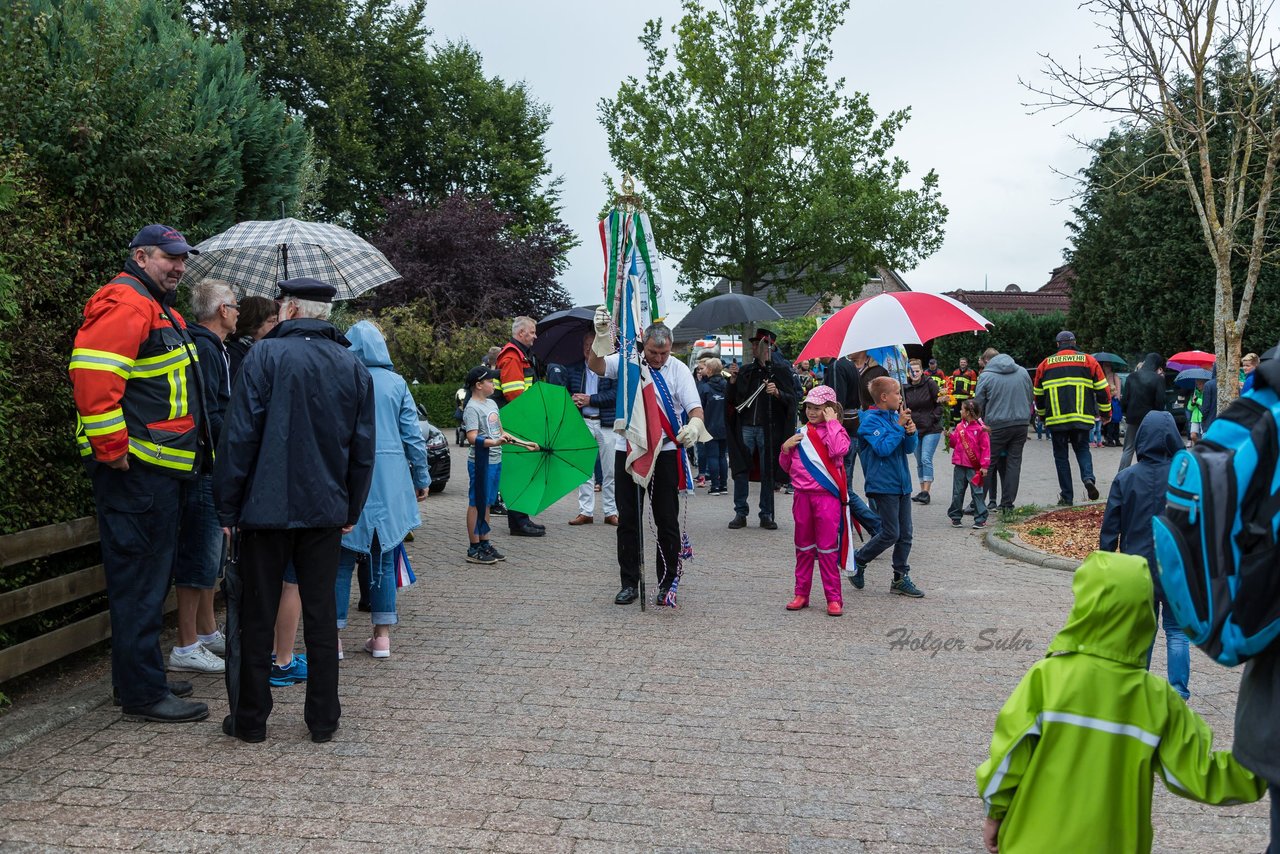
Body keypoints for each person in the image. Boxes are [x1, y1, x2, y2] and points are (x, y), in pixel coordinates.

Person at [976, 551, 1265, 854]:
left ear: (1084, 606)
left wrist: (995, 814)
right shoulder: (1158, 699)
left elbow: (1008, 756)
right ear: (1144, 613)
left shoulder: (1046, 679)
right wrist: (1262, 764)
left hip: (1033, 842)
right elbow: (1202, 774)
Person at [215, 278, 376, 744]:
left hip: (264, 508)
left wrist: (227, 504)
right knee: (322, 612)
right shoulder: (351, 365)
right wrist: (352, 504)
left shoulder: (263, 356)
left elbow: (239, 435)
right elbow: (362, 447)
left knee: (256, 611)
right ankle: (323, 719)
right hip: (326, 508)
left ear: (287, 310)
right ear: (323, 315)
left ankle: (250, 720)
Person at [69, 224, 208, 723]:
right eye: (169, 258)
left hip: (154, 471)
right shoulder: (129, 304)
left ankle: (140, 678)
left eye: (183, 259)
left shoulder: (153, 305)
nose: (178, 266)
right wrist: (111, 451)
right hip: (137, 472)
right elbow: (91, 378)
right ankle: (142, 696)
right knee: (140, 583)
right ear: (141, 256)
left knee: (148, 581)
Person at [587, 314, 706, 606]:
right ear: (645, 346)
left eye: (664, 353)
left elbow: (695, 409)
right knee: (628, 519)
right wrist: (600, 336)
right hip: (628, 449)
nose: (658, 358)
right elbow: (596, 365)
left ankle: (667, 582)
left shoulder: (678, 370)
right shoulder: (629, 363)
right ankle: (629, 581)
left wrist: (693, 426)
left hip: (664, 452)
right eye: (653, 352)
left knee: (667, 519)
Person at [333, 321, 430, 660]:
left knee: (341, 561)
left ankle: (335, 640)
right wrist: (422, 476)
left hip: (347, 476)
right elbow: (413, 435)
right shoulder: (397, 382)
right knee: (385, 557)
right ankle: (382, 637)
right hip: (390, 478)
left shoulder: (340, 377)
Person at [169, 279, 239, 677]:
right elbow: (211, 413)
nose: (239, 312)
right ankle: (186, 644)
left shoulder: (212, 348)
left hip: (207, 466)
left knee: (208, 556)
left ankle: (207, 630)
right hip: (205, 468)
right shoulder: (207, 350)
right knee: (198, 555)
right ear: (221, 311)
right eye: (234, 304)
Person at [1098, 411, 1188, 699]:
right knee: (1177, 631)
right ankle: (1177, 693)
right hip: (1176, 566)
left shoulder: (1125, 478)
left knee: (1143, 631)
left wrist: (1107, 565)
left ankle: (1137, 690)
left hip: (1137, 567)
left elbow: (1110, 528)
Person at [849, 376, 923, 598]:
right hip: (883, 485)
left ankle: (900, 577)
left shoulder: (895, 417)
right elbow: (883, 448)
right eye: (897, 393)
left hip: (902, 484)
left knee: (905, 534)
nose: (900, 397)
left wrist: (911, 432)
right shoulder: (869, 422)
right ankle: (859, 560)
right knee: (891, 533)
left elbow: (908, 449)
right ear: (883, 397)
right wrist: (899, 428)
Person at [778, 386, 849, 617]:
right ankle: (801, 593)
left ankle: (834, 598)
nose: (811, 411)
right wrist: (785, 450)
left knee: (827, 549)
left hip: (825, 498)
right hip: (801, 497)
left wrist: (833, 423)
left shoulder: (836, 431)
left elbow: (840, 451)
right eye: (809, 407)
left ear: (829, 409)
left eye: (817, 408)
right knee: (804, 547)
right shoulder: (801, 432)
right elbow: (787, 467)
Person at [462, 367, 534, 563]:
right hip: (481, 462)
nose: (494, 385)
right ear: (478, 385)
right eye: (490, 382)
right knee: (476, 503)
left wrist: (524, 443)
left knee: (486, 503)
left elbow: (501, 432)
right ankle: (474, 547)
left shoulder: (492, 404)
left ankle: (485, 542)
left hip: (495, 460)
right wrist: (493, 443)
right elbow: (471, 437)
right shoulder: (472, 408)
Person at [727, 328, 796, 531]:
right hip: (747, 426)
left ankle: (766, 513)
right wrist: (732, 381)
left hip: (769, 429)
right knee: (741, 470)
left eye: (758, 344)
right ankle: (741, 512)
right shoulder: (747, 370)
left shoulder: (780, 371)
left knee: (768, 472)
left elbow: (792, 399)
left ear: (769, 347)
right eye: (754, 344)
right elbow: (733, 399)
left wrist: (777, 394)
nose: (754, 347)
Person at [1033, 330, 1111, 505]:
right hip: (1081, 419)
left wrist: (1044, 417)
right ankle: (1088, 478)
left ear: (1057, 345)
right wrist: (1106, 414)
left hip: (1056, 421)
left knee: (1061, 457)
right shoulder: (1089, 361)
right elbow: (1103, 390)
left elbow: (1038, 395)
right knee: (1082, 449)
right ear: (1074, 343)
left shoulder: (1045, 364)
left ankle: (1067, 497)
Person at [550, 332, 618, 526]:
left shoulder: (611, 369)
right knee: (584, 469)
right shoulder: (573, 369)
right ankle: (585, 511)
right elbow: (565, 393)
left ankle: (611, 511)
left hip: (606, 422)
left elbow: (615, 395)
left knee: (610, 470)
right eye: (586, 345)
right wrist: (572, 400)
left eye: (593, 344)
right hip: (583, 422)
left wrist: (591, 399)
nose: (589, 349)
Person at [495, 316, 546, 538]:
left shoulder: (521, 355)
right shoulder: (512, 356)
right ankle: (518, 523)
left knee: (524, 472)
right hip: (516, 422)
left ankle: (522, 519)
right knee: (519, 473)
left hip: (518, 420)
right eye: (532, 332)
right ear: (521, 333)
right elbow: (514, 394)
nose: (535, 336)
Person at [974, 347, 1034, 511]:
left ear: (987, 361)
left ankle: (978, 503)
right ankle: (1007, 504)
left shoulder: (986, 376)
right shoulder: (1022, 372)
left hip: (996, 426)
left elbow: (978, 404)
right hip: (1021, 424)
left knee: (988, 463)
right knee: (1014, 463)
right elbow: (1030, 396)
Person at [903, 359, 944, 505]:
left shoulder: (930, 383)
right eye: (912, 371)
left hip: (931, 428)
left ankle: (926, 492)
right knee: (919, 460)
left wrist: (933, 418)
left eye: (917, 370)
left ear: (922, 371)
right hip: (914, 429)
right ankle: (922, 491)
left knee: (926, 458)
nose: (915, 373)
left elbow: (940, 403)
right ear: (908, 372)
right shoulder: (904, 387)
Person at [948, 399, 990, 529]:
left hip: (974, 467)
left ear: (967, 412)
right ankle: (955, 516)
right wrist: (949, 437)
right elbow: (954, 444)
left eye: (961, 409)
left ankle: (980, 517)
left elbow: (986, 448)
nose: (960, 411)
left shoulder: (981, 429)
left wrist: (984, 465)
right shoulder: (960, 427)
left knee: (977, 492)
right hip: (960, 465)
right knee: (957, 491)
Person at [1119, 353, 1165, 471]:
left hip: (1132, 418)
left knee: (1128, 449)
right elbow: (1160, 402)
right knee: (1147, 448)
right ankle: (1145, 474)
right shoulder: (1158, 379)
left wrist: (1126, 412)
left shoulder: (1131, 377)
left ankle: (1121, 476)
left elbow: (1125, 399)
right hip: (1150, 419)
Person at [224, 296, 279, 380]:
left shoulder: (261, 353)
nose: (276, 325)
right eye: (271, 321)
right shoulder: (233, 355)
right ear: (254, 323)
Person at [698, 357, 730, 495]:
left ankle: (715, 486)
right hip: (725, 426)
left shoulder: (705, 387)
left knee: (712, 456)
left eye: (705, 367)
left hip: (710, 426)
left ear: (710, 370)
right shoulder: (727, 386)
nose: (703, 369)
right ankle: (723, 485)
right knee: (722, 456)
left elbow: (699, 407)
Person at [1187, 377, 1206, 443]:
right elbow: (1189, 408)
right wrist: (1192, 403)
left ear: (1204, 384)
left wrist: (1197, 399)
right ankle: (1198, 446)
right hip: (1194, 417)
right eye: (1197, 384)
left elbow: (1204, 403)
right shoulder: (1194, 393)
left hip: (1202, 417)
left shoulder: (1206, 392)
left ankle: (1202, 448)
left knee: (1203, 436)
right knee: (1193, 436)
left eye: (1200, 384)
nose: (1198, 385)